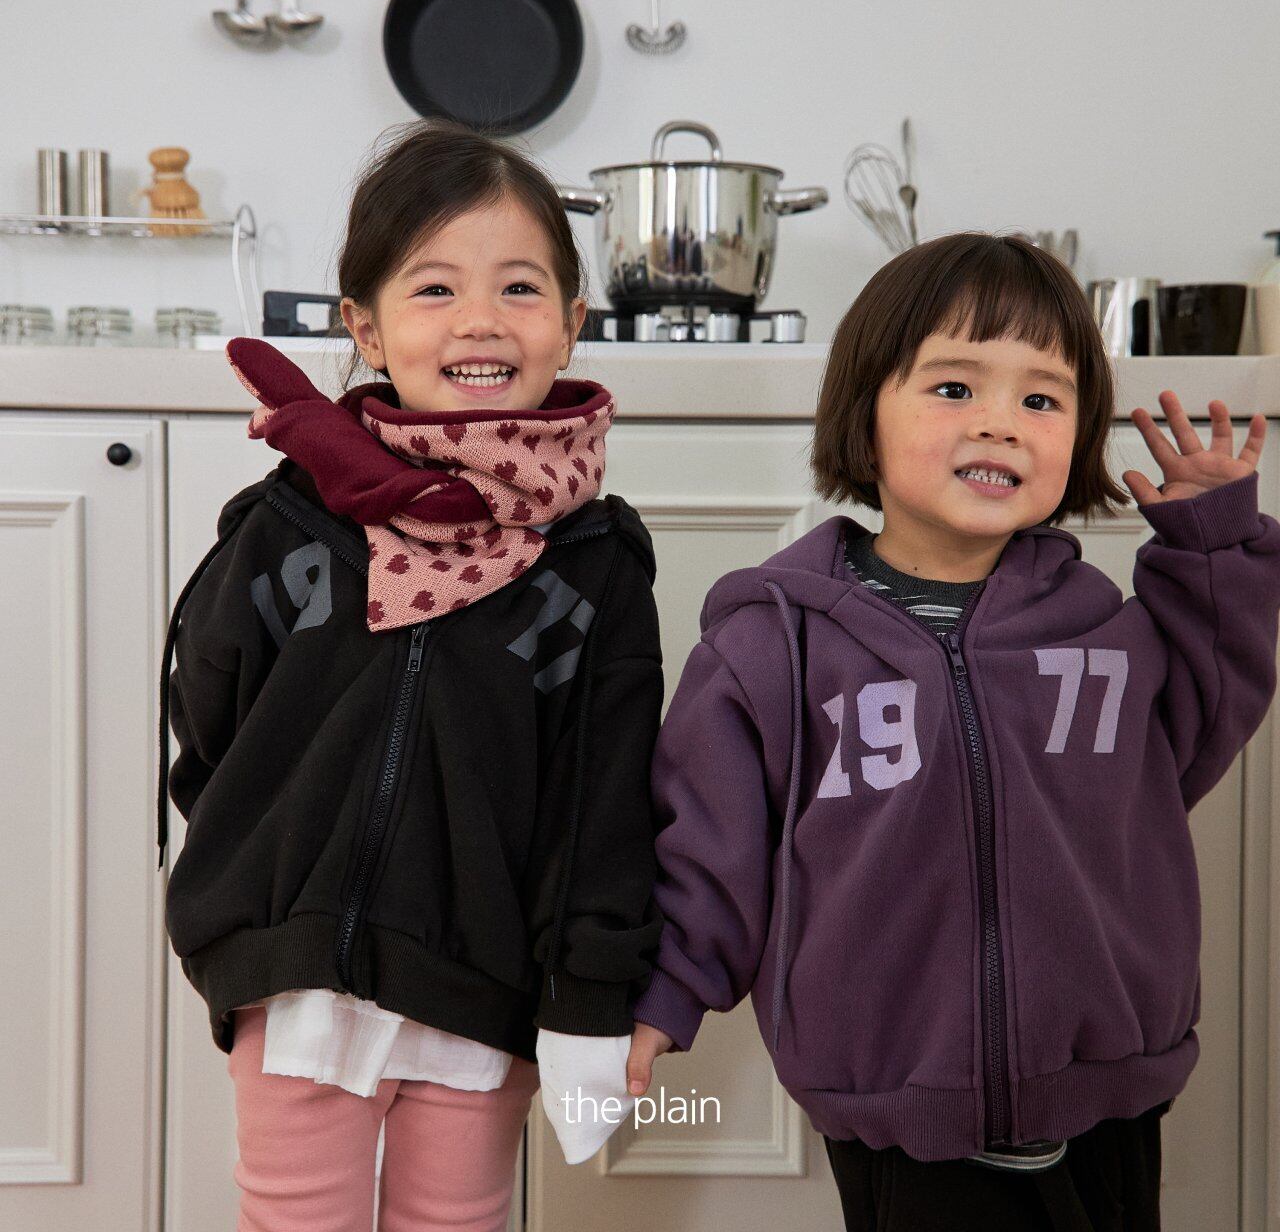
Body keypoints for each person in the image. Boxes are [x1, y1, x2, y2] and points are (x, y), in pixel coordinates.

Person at [625, 232, 1280, 1231]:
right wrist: (662, 996)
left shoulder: (1106, 634)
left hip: (1109, 1098)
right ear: (864, 416)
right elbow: (709, 852)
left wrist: (1211, 548)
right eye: (953, 388)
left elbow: (1210, 704)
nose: (999, 423)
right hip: (899, 1119)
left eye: (1041, 400)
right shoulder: (772, 646)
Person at [157, 120, 662, 1232]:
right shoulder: (288, 522)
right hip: (298, 974)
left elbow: (603, 803)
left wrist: (587, 993)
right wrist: (255, 877)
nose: (480, 319)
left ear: (572, 322)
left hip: (484, 981)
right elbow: (214, 715)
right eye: (434, 287)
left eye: (520, 287)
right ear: (365, 326)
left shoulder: (596, 564)